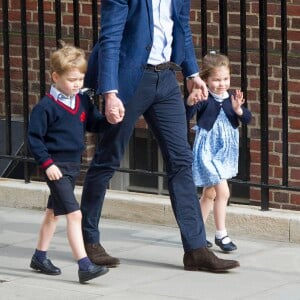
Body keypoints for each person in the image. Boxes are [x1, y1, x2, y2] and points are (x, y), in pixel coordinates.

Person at [81, 0, 240, 272]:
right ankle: (88, 241)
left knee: (181, 160)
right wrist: (110, 93)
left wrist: (192, 72)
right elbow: (110, 40)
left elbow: (182, 28)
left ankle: (196, 250)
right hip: (129, 80)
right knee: (108, 158)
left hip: (165, 78)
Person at [28, 41, 109, 283]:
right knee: (75, 214)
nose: (77, 84)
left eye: (80, 79)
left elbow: (94, 124)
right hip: (56, 168)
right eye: (72, 79)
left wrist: (110, 119)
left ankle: (39, 257)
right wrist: (47, 164)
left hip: (73, 165)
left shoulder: (82, 101)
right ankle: (85, 265)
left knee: (53, 213)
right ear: (55, 76)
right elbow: (35, 139)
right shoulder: (45, 107)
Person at [185, 52, 252, 252]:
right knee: (224, 191)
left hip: (224, 152)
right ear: (205, 79)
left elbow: (247, 118)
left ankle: (193, 234)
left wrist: (239, 110)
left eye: (225, 79)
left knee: (210, 193)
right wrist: (190, 101)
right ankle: (221, 235)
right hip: (208, 151)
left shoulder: (232, 98)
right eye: (216, 79)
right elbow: (186, 115)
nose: (222, 84)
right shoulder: (204, 97)